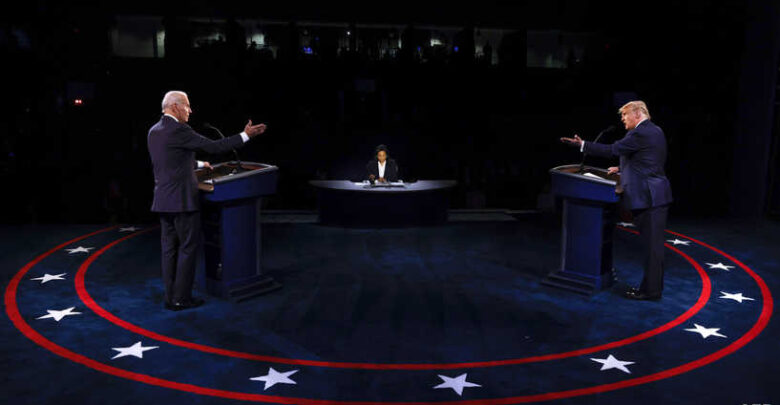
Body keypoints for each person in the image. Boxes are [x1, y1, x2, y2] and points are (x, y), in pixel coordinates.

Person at [147, 90, 267, 311]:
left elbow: (171, 160)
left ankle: (170, 296)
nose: (190, 111)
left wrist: (200, 165)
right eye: (187, 106)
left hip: (163, 201)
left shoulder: (154, 131)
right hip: (182, 201)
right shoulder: (180, 129)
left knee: (169, 250)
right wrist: (245, 135)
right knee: (187, 248)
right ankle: (181, 299)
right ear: (175, 107)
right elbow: (215, 147)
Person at [561, 100, 673, 300]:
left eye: (625, 114)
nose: (622, 119)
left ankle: (650, 291)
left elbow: (613, 150)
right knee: (652, 248)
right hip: (655, 196)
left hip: (649, 198)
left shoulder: (639, 133)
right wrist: (622, 169)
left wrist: (583, 145)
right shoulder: (655, 130)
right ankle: (651, 289)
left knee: (652, 249)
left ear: (637, 113)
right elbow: (648, 160)